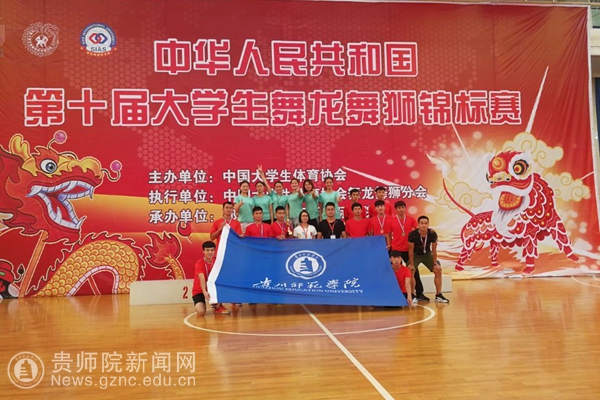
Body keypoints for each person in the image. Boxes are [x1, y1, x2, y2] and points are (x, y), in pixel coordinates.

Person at [391, 201, 428, 302]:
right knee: (393, 271)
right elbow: (389, 234)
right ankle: (394, 293)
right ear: (396, 209)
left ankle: (419, 293)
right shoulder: (392, 220)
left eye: (403, 207)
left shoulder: (411, 219)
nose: (401, 209)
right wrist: (389, 245)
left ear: (405, 208)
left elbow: (418, 230)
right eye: (399, 208)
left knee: (414, 271)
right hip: (396, 249)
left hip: (408, 249)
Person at [408, 216, 449, 303]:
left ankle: (439, 295)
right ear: (418, 224)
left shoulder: (432, 234)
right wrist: (411, 264)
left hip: (427, 255)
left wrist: (435, 263)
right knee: (410, 271)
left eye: (426, 223)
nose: (424, 225)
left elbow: (434, 250)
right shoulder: (412, 234)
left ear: (428, 224)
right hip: (416, 255)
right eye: (422, 223)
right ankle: (413, 295)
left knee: (438, 270)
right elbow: (410, 250)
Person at [192, 241, 230, 315]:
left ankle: (218, 306)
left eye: (212, 250)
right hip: (199, 290)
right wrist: (204, 291)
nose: (210, 252)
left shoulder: (217, 261)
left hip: (213, 288)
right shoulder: (199, 263)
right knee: (201, 312)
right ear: (203, 251)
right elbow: (202, 278)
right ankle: (202, 303)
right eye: (207, 250)